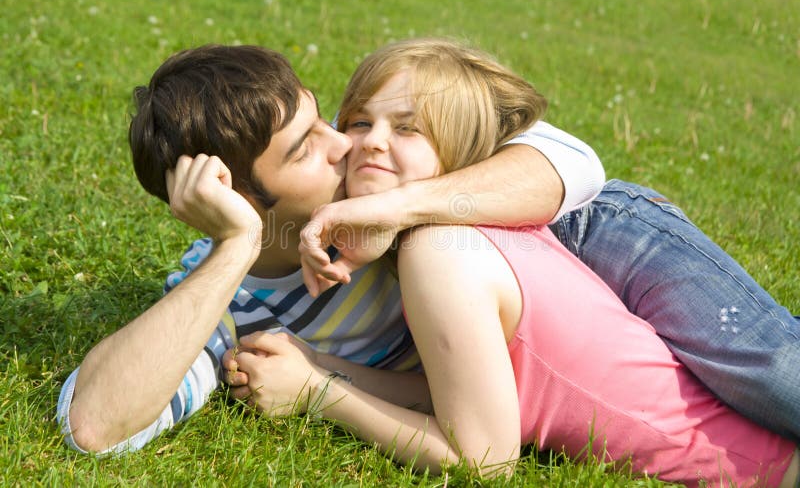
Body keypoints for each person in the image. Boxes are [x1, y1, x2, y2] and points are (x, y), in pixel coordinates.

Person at [228, 38, 800, 486]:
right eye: (359, 122)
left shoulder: (438, 253)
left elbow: (482, 459)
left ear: (460, 154)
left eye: (407, 128)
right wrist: (315, 364)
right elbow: (453, 393)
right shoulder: (457, 236)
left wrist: (318, 394)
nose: (373, 141)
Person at [55, 44, 604, 453]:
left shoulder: (373, 176)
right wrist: (235, 247)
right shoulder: (231, 311)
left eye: (320, 117)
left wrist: (399, 208)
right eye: (304, 150)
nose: (346, 141)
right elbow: (95, 428)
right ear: (242, 197)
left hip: (610, 236)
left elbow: (574, 162)